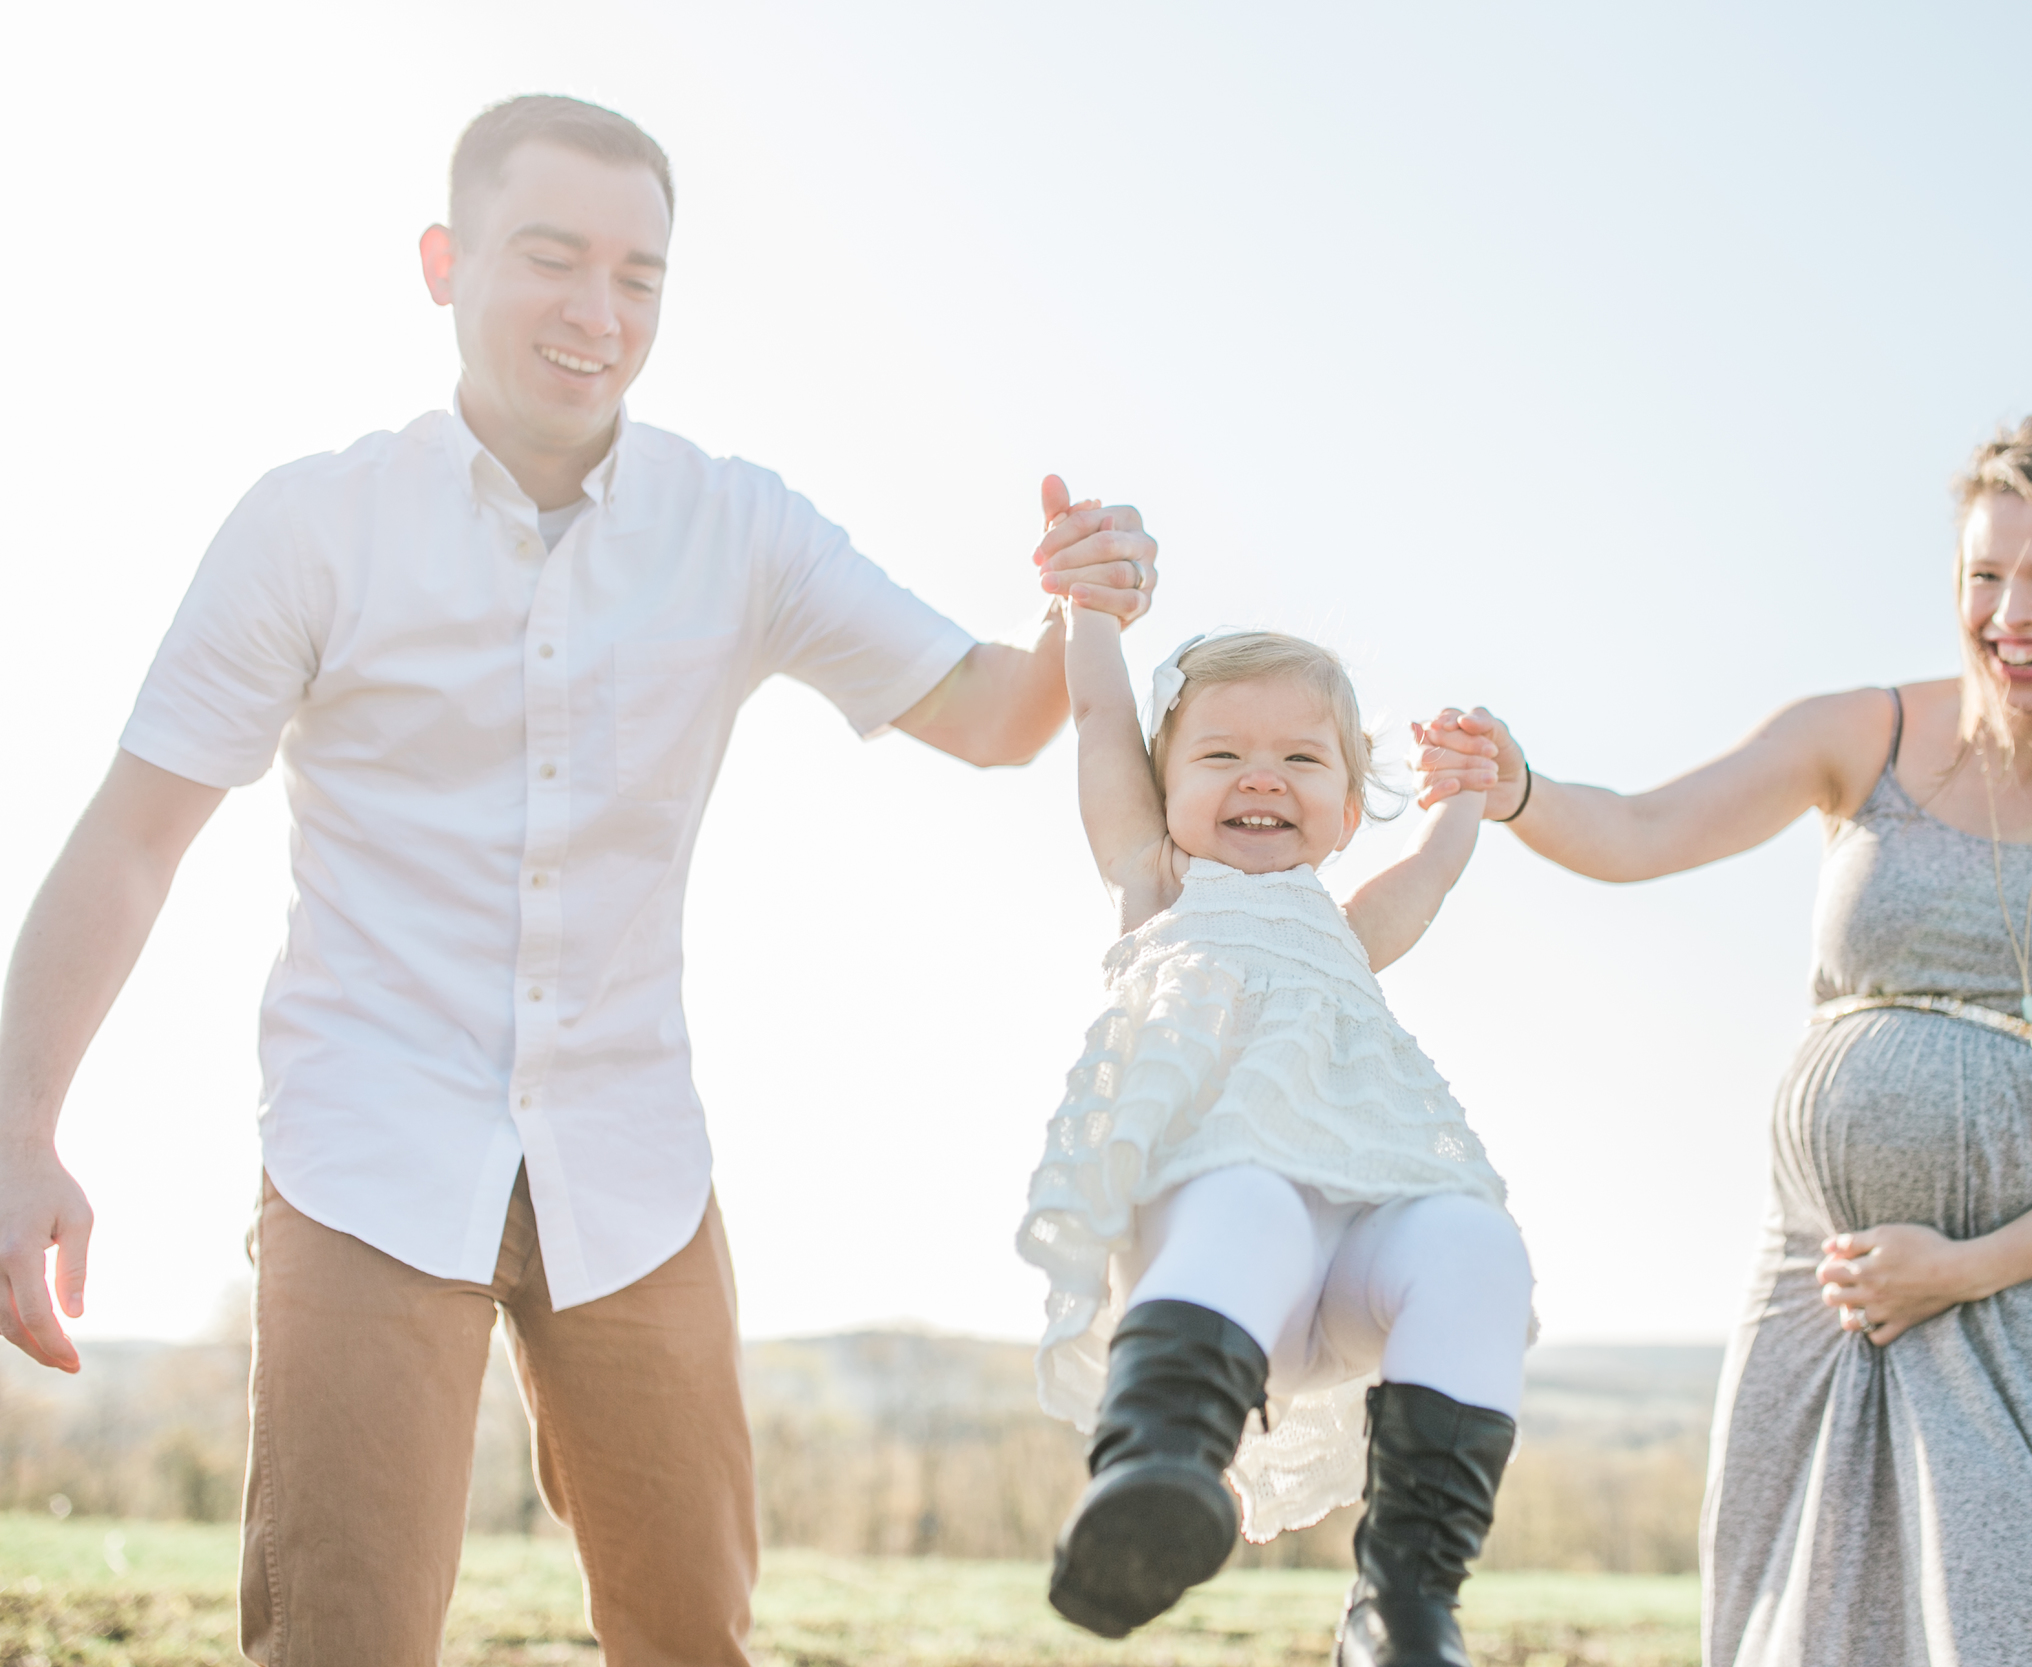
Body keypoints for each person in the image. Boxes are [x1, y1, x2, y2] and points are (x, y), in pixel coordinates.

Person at [0, 95, 1161, 1664]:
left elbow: (992, 716)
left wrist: (1077, 608)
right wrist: (19, 1119)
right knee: (338, 1639)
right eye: (552, 257)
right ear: (444, 262)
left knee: (694, 1629)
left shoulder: (735, 526)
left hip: (631, 1158)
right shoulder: (312, 527)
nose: (597, 313)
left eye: (639, 275)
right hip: (367, 1140)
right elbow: (135, 837)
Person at [1415, 412, 2032, 1666]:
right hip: (1834, 1290)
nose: (2007, 610)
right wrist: (1523, 790)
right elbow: (1645, 828)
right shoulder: (1858, 733)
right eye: (1982, 573)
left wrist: (1972, 1265)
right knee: (1808, 1633)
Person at [1015, 600, 1536, 1667]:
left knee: (1479, 1243)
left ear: (1348, 810)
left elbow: (1437, 866)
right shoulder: (1157, 884)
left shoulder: (1344, 939)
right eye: (1221, 753)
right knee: (1247, 1191)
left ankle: (1404, 1606)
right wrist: (1091, 619)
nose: (1262, 775)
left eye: (1302, 756)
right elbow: (1104, 719)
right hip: (1221, 1279)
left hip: (1349, 1272)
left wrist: (1466, 793)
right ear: (1163, 790)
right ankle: (1156, 1470)